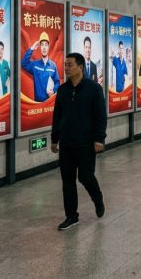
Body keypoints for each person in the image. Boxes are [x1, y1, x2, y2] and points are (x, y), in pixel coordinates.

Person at [51, 53, 107, 230]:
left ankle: (97, 198)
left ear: (80, 67)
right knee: (67, 181)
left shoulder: (93, 89)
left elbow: (100, 116)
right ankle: (71, 216)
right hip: (66, 143)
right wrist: (54, 139)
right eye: (65, 65)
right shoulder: (62, 90)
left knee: (85, 176)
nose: (66, 68)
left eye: (70, 65)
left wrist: (99, 138)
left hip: (86, 142)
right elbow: (57, 116)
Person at [21, 32, 61, 102]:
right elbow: (23, 63)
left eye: (46, 45)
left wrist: (53, 91)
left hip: (49, 104)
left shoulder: (53, 66)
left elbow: (57, 82)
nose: (44, 47)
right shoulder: (35, 65)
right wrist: (32, 48)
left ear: (48, 47)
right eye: (42, 45)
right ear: (40, 47)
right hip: (38, 105)